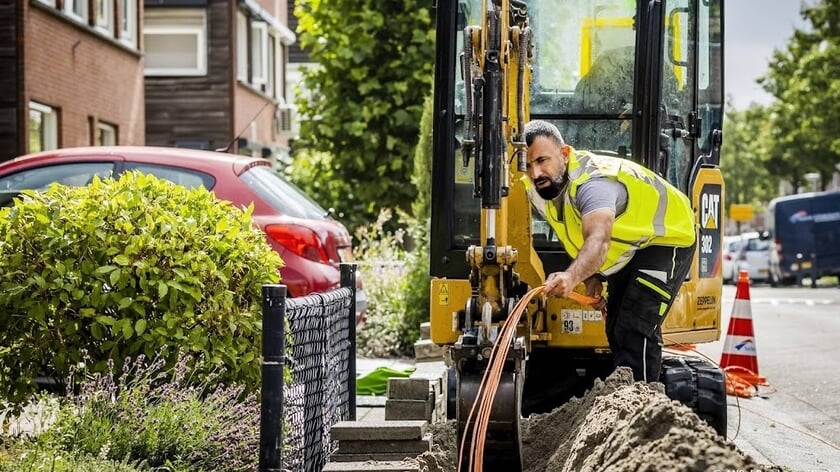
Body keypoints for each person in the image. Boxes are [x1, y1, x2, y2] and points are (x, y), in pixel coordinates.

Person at [521, 119, 696, 382]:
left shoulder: (593, 184)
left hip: (667, 238)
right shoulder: (540, 187)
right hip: (631, 247)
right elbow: (575, 231)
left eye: (542, 160)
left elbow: (598, 240)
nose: (535, 174)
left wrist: (571, 277)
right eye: (527, 165)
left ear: (565, 154)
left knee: (634, 327)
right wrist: (593, 276)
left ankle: (642, 409)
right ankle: (625, 403)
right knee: (615, 328)